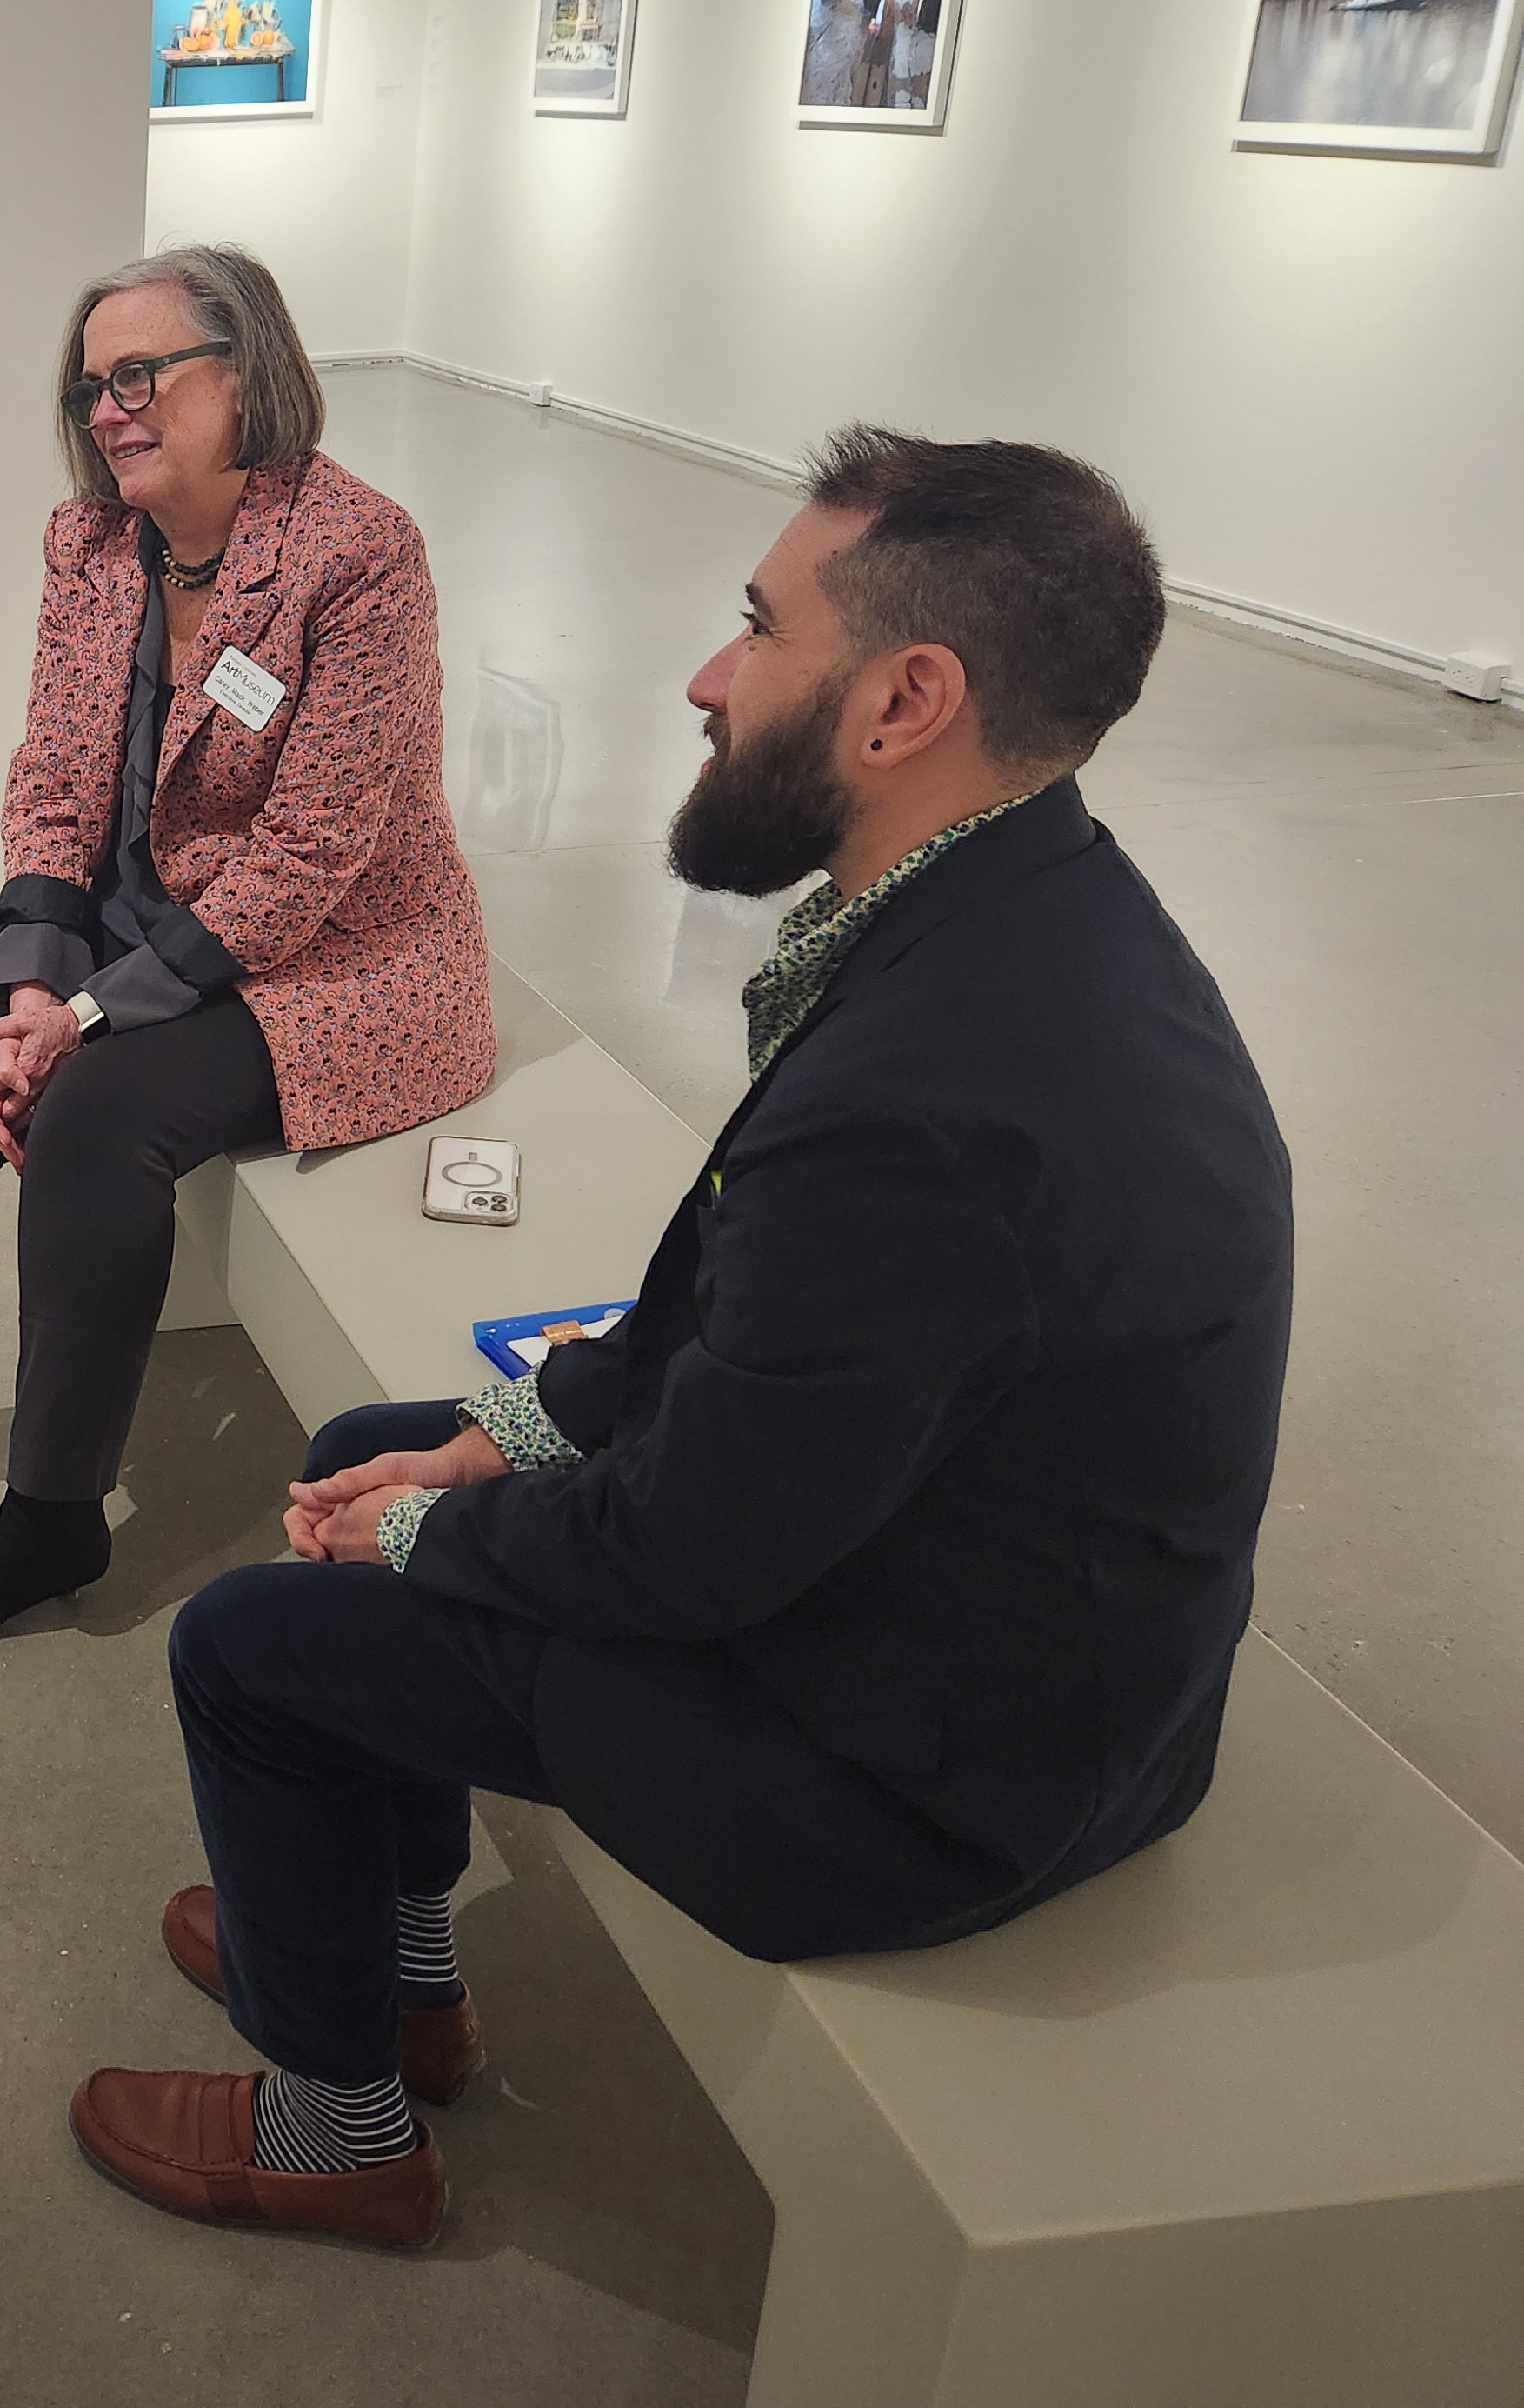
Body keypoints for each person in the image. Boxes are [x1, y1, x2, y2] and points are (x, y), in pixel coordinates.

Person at [69, 427, 1293, 2251]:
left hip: (925, 1779)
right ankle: (399, 1992)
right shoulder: (1012, 917)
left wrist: (425, 1531)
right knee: (369, 1451)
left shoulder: (930, 1092)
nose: (706, 679)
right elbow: (741, 1315)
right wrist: (495, 1441)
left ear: (903, 701)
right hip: (974, 1610)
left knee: (258, 1640)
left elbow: (694, 1549)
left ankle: (341, 2139)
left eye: (753, 628)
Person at [0, 245, 494, 1644]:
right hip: (130, 924)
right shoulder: (94, 541)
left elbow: (309, 853)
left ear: (249, 377)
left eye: (141, 375)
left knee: (96, 1116)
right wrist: (35, 973)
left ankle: (53, 1519)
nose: (109, 409)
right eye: (90, 384)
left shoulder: (359, 554)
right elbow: (52, 769)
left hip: (333, 955)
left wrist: (85, 1023)